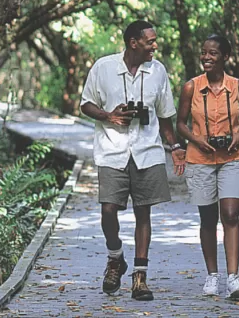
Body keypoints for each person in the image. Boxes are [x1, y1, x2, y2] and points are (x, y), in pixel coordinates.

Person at [80, 20, 186, 301]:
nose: (155, 45)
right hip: (112, 149)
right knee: (108, 210)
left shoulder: (158, 71)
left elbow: (165, 116)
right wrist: (108, 116)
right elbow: (85, 103)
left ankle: (140, 277)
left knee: (143, 212)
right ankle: (115, 257)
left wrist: (174, 146)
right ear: (133, 42)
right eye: (150, 41)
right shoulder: (103, 67)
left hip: (147, 150)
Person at [174, 34, 239, 299]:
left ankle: (233, 279)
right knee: (208, 219)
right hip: (200, 159)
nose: (207, 58)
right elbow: (180, 123)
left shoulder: (238, 87)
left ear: (225, 57)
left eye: (213, 53)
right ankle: (212, 276)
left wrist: (237, 139)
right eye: (204, 53)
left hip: (232, 157)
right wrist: (197, 140)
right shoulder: (190, 88)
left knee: (230, 214)